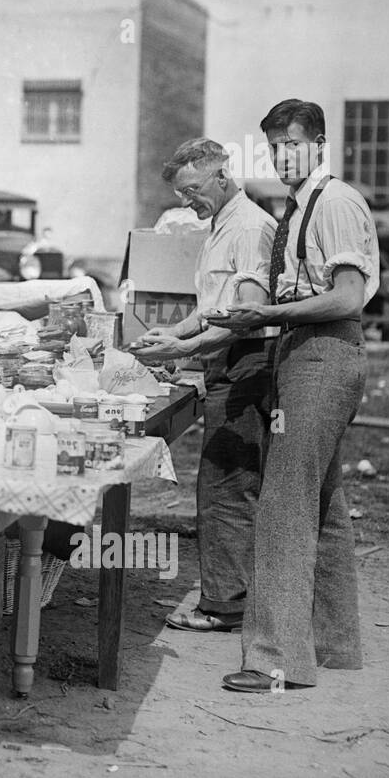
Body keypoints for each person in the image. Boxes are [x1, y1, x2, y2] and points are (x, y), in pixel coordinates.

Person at [215, 98, 378, 692]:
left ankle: (275, 659)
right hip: (303, 352)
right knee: (324, 502)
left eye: (293, 144)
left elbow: (349, 296)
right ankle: (334, 644)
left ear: (318, 144)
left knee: (282, 503)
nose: (283, 157)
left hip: (325, 353)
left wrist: (272, 312)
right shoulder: (299, 206)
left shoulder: (333, 201)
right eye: (275, 147)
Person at [130, 137, 276, 633]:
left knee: (228, 486)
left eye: (193, 189)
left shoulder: (252, 227)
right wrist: (175, 331)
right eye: (181, 194)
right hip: (226, 360)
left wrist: (184, 350)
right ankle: (229, 597)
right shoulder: (221, 224)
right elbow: (214, 305)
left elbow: (246, 317)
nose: (187, 201)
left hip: (247, 364)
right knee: (218, 485)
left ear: (221, 175)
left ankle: (226, 606)